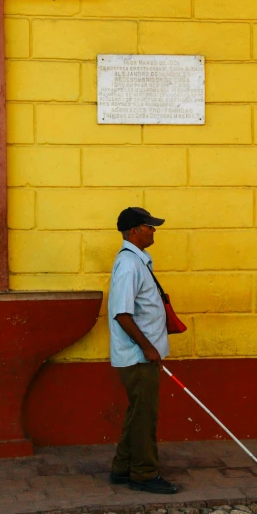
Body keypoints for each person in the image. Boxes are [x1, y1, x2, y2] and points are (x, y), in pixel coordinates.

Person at [108, 206, 178, 495]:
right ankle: (144, 474)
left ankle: (122, 468)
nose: (153, 231)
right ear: (134, 230)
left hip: (143, 354)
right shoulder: (129, 264)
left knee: (138, 413)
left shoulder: (138, 261)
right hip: (138, 356)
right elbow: (122, 313)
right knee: (145, 417)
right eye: (149, 226)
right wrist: (148, 348)